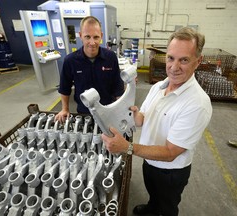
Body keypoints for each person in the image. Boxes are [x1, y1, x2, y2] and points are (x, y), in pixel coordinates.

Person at [102, 27, 212, 216]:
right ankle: (152, 207)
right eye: (171, 58)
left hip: (170, 172)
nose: (174, 67)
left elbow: (170, 153)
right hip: (149, 159)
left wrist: (126, 147)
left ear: (198, 61)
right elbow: (142, 119)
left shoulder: (197, 104)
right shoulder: (158, 87)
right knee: (153, 194)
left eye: (184, 60)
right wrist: (134, 114)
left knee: (168, 205)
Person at [55, 16, 124, 123]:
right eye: (87, 37)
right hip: (84, 112)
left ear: (101, 36)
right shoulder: (70, 60)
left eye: (96, 37)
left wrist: (120, 109)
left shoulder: (110, 57)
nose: (92, 42)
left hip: (108, 110)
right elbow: (65, 88)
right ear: (80, 36)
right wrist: (65, 109)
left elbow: (117, 86)